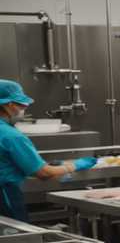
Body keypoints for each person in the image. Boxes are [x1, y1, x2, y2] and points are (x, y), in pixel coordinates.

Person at [0, 80, 97, 223]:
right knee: (14, 240)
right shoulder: (11, 135)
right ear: (11, 105)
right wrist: (76, 165)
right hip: (4, 197)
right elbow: (46, 175)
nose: (22, 110)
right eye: (21, 105)